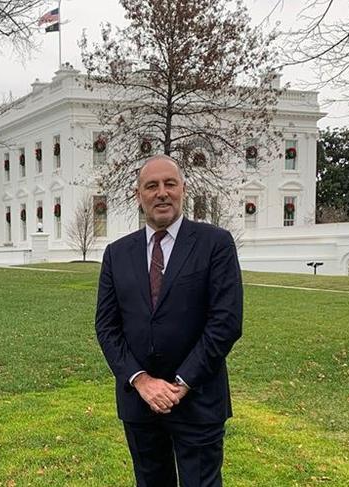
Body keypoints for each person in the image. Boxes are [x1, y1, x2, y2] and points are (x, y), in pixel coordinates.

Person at [95, 155, 243, 487]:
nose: (162, 193)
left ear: (183, 189)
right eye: (152, 186)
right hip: (139, 403)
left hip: (198, 399)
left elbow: (226, 322)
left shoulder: (215, 244)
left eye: (169, 184)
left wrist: (181, 384)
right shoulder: (117, 254)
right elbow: (107, 326)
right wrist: (142, 381)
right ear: (139, 195)